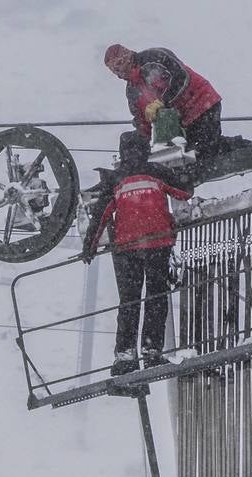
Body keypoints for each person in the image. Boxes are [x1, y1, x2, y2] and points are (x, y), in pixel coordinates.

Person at [82, 132, 192, 374]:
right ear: (145, 149)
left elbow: (101, 216)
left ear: (122, 152)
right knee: (155, 297)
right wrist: (185, 173)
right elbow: (185, 192)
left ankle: (124, 356)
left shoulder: (116, 178)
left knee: (129, 302)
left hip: (128, 249)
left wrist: (89, 247)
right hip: (157, 243)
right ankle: (151, 351)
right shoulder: (156, 171)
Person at [104, 44, 225, 162]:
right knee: (195, 156)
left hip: (202, 103)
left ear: (128, 56)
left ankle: (241, 150)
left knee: (206, 153)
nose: (118, 71)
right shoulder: (132, 91)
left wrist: (162, 102)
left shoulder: (153, 57)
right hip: (181, 123)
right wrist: (138, 148)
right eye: (114, 70)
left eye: (119, 64)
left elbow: (181, 76)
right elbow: (142, 120)